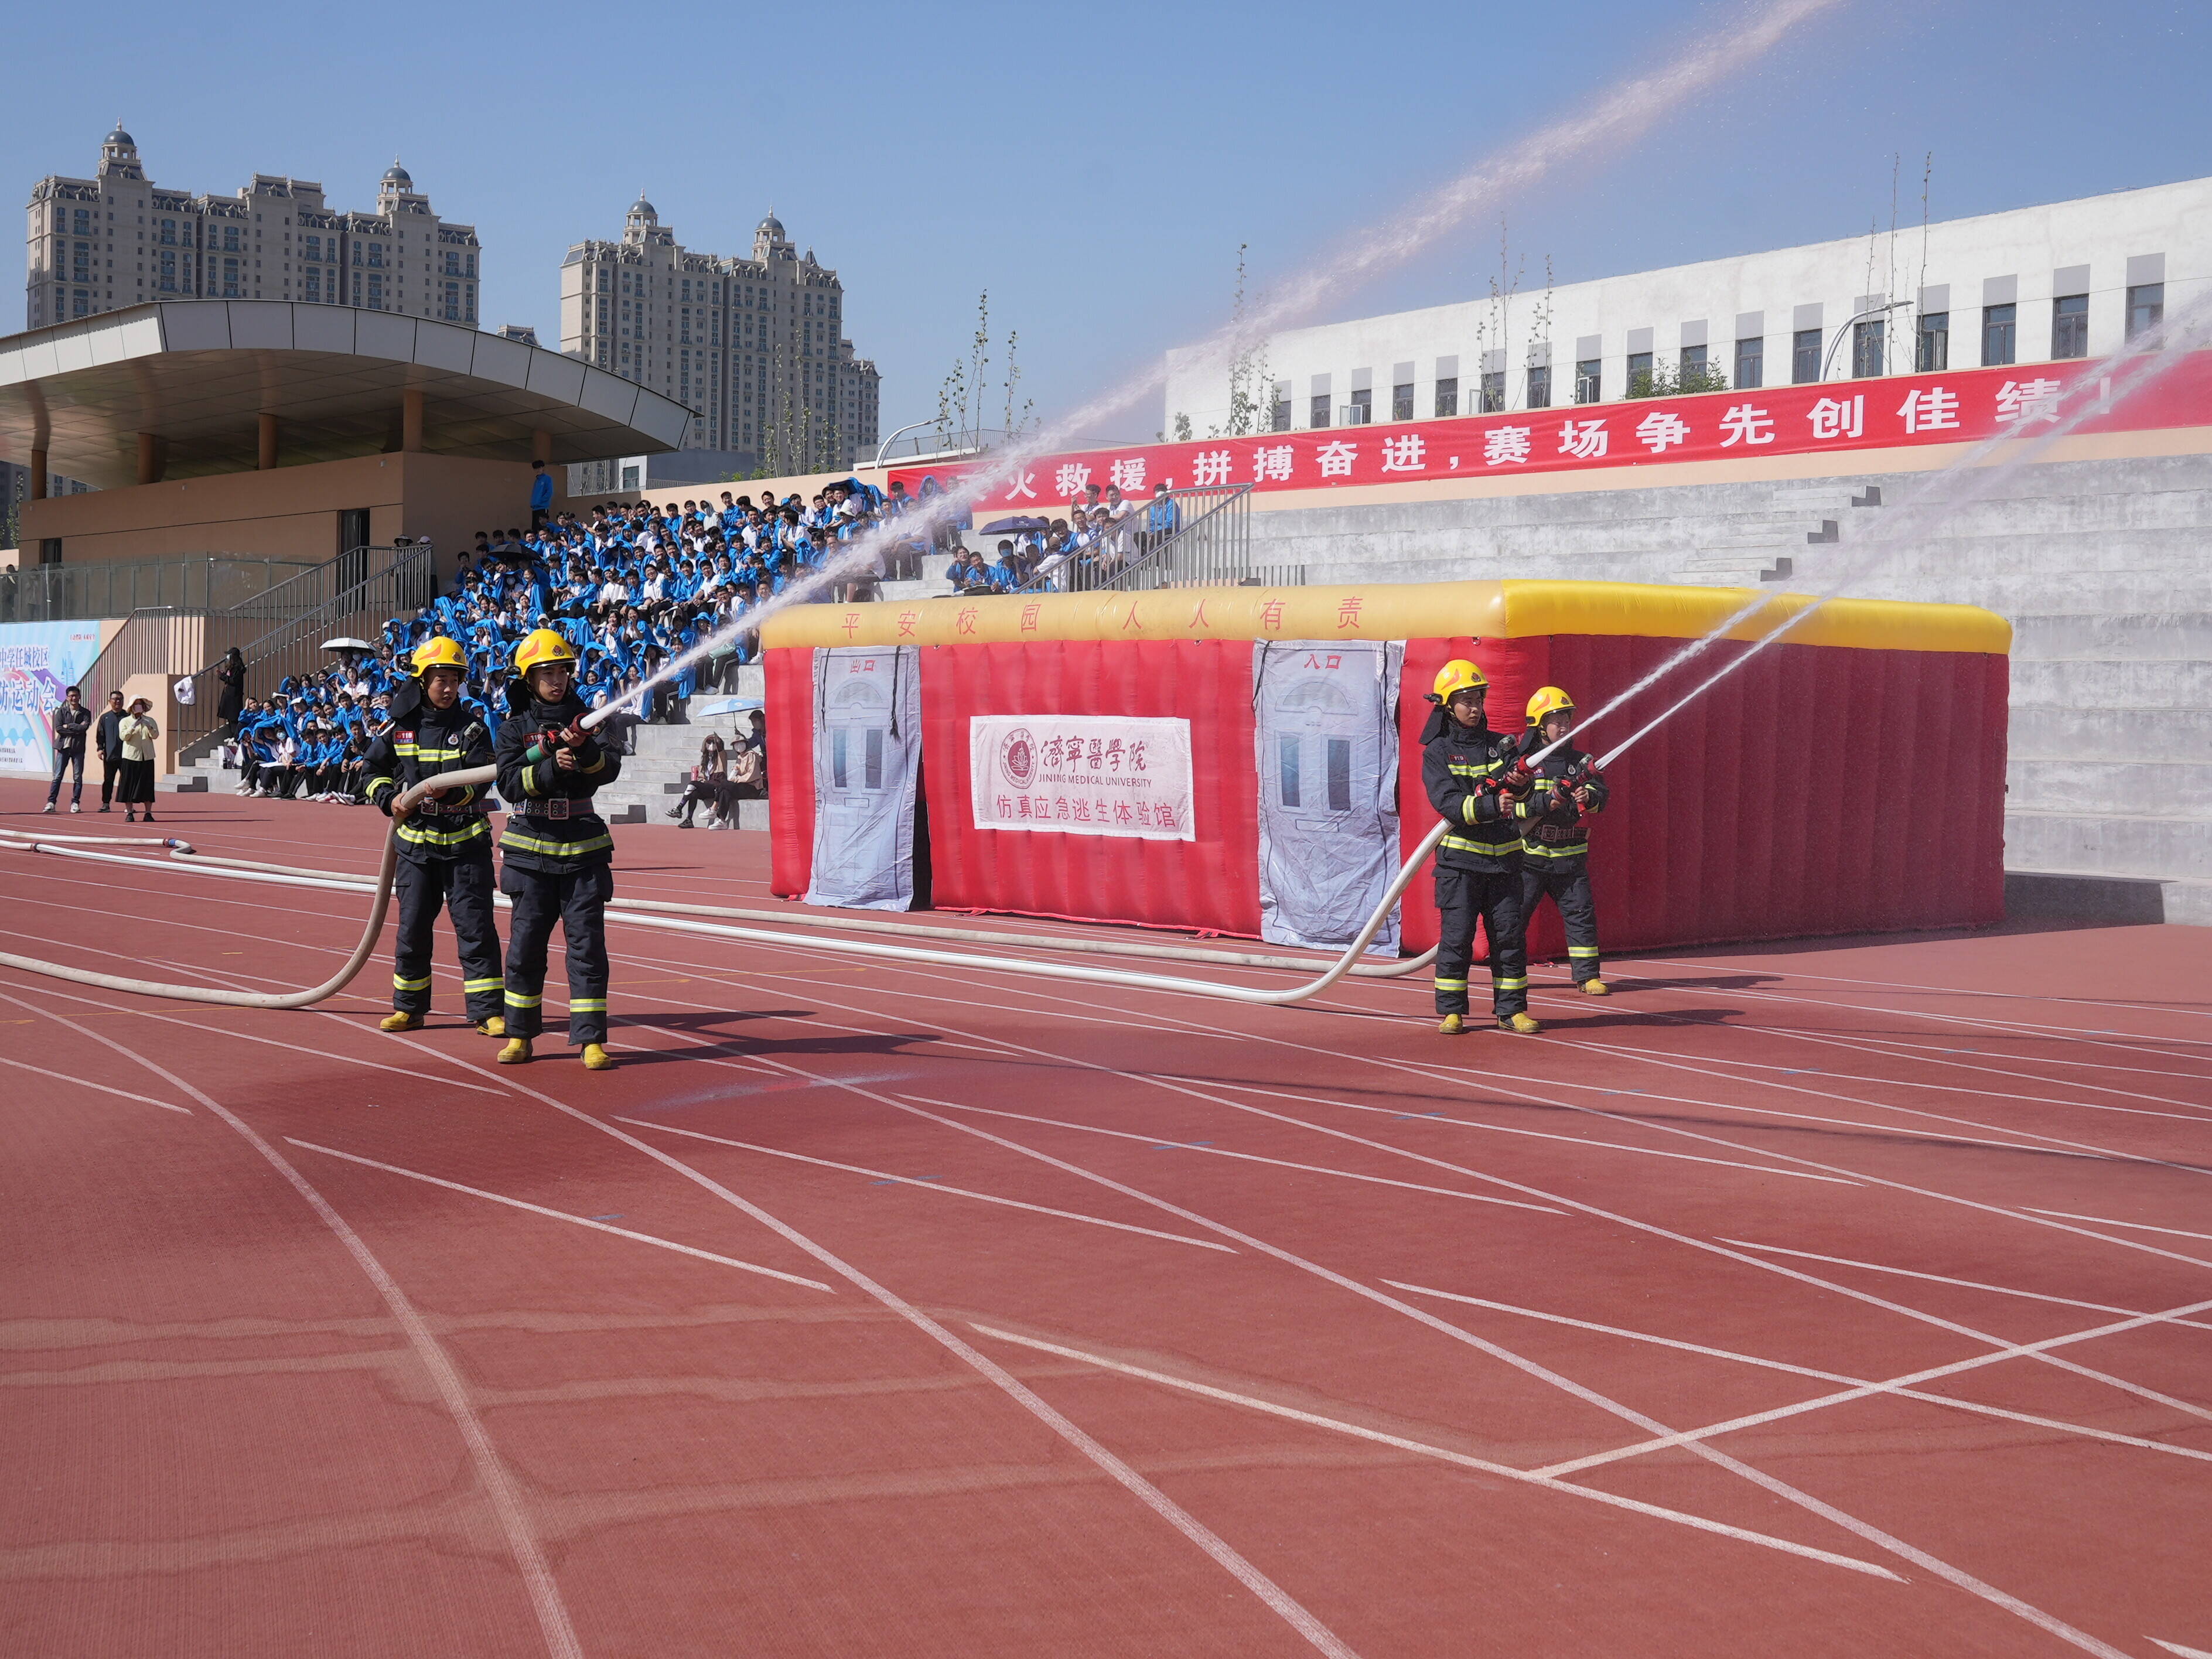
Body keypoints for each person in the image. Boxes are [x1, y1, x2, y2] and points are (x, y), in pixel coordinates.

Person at [364, 637, 507, 1036]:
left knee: (476, 930)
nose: (447, 688)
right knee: (411, 931)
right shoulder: (400, 729)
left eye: (454, 680)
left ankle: (488, 1012)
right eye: (440, 679)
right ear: (422, 681)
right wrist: (391, 799)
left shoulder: (474, 729)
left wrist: (452, 793)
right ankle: (409, 1008)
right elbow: (370, 773)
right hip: (414, 847)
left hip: (466, 846)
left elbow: (480, 782)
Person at [494, 629, 620, 1070]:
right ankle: (520, 1035)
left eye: (563, 671)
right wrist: (549, 767)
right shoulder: (513, 729)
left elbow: (610, 769)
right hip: (530, 852)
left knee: (587, 949)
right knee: (525, 949)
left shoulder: (593, 720)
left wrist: (584, 755)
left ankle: (590, 1041)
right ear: (529, 679)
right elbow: (509, 784)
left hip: (584, 850)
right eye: (546, 672)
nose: (557, 680)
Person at [1421, 659, 1538, 1035]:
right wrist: (1490, 805)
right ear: (1447, 706)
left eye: (1479, 700)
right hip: (1461, 866)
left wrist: (1521, 783)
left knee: (1509, 941)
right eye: (1466, 701)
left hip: (1505, 864)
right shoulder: (1437, 752)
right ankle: (1452, 1011)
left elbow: (1523, 792)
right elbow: (1448, 803)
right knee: (1457, 940)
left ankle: (1512, 1011)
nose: (1475, 708)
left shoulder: (1500, 745)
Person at [1515, 687, 1611, 995]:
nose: (1564, 726)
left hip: (1571, 857)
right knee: (1514, 920)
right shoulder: (1524, 763)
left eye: (1566, 718)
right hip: (1529, 857)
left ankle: (1587, 977)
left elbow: (1603, 795)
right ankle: (1509, 977)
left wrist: (1589, 796)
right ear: (1540, 725)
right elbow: (1513, 806)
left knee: (1581, 916)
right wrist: (1544, 803)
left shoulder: (1581, 761)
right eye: (1556, 719)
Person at [43, 686, 91, 814]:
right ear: (67, 698)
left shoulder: (86, 713)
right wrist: (75, 728)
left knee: (77, 777)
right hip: (63, 748)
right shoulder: (61, 712)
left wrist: (69, 726)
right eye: (71, 696)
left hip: (78, 749)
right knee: (58, 776)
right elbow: (59, 728)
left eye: (76, 695)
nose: (74, 698)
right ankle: (51, 802)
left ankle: (75, 803)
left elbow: (84, 728)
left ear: (80, 697)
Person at [668, 732, 726, 829]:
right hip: (707, 786)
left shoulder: (721, 757)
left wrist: (716, 739)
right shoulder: (705, 759)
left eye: (713, 743)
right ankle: (689, 819)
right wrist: (701, 782)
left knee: (692, 783)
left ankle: (679, 808)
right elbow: (701, 776)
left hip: (717, 787)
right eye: (709, 742)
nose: (711, 745)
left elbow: (720, 748)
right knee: (694, 793)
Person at [117, 698, 160, 823]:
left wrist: (149, 726)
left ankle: (148, 813)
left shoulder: (150, 720)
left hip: (147, 757)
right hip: (131, 757)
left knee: (147, 786)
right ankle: (129, 812)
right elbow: (123, 736)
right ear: (131, 707)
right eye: (136, 705)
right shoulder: (125, 721)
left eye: (140, 705)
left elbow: (155, 735)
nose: (138, 707)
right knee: (128, 785)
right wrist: (132, 727)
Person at [94, 691, 127, 813]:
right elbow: (100, 735)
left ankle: (128, 805)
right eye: (115, 699)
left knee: (126, 781)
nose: (118, 701)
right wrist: (100, 749)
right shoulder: (105, 718)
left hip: (126, 755)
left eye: (120, 699)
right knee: (108, 780)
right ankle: (106, 804)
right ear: (110, 702)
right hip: (110, 755)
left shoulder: (128, 716)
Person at [215, 647, 246, 742]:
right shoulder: (232, 668)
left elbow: (233, 680)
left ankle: (235, 736)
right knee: (229, 716)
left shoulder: (238, 669)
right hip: (228, 695)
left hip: (234, 696)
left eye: (229, 655)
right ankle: (232, 735)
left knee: (234, 717)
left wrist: (223, 676)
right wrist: (223, 675)